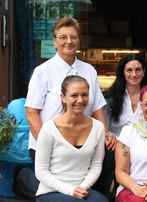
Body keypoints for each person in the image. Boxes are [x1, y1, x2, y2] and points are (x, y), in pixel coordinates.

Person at [21, 17, 114, 198]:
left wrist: (106, 133)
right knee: (58, 191)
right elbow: (31, 112)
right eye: (63, 37)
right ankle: (28, 182)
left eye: (73, 37)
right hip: (49, 145)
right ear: (55, 41)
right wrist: (48, 141)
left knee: (109, 154)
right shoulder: (43, 71)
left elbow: (97, 107)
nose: (69, 42)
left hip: (83, 142)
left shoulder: (89, 70)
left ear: (79, 40)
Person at [35, 75, 108, 202]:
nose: (80, 100)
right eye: (74, 95)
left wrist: (82, 187)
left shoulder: (98, 127)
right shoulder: (49, 128)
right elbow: (41, 171)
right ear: (63, 98)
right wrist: (70, 190)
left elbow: (96, 165)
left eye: (84, 95)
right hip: (52, 190)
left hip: (82, 189)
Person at [105, 54, 147, 136]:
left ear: (143, 72)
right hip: (116, 146)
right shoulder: (110, 98)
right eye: (129, 70)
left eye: (138, 70)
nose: (134, 74)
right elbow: (104, 129)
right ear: (123, 73)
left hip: (145, 146)